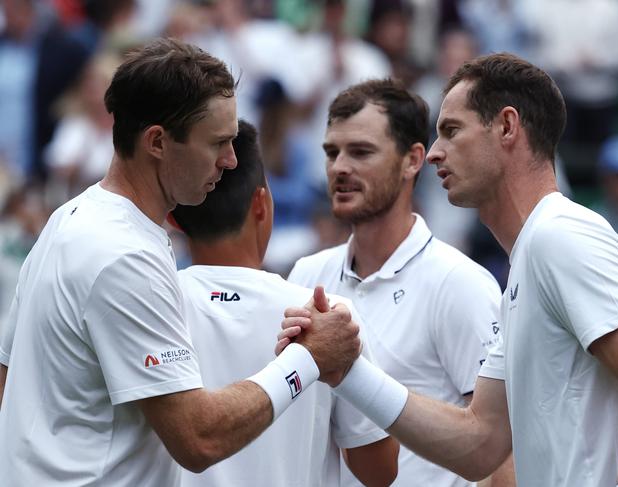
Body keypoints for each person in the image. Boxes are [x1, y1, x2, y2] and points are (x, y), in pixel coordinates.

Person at [0, 38, 360, 486]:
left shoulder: (68, 219)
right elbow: (198, 439)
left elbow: (7, 378)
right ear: (157, 142)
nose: (230, 161)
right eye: (218, 143)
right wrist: (307, 360)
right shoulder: (124, 255)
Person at [281, 53, 618, 487]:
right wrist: (349, 371)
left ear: (507, 127)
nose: (435, 153)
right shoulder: (530, 259)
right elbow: (479, 444)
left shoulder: (560, 235)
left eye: (451, 131)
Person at [287, 78, 511, 486]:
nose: (339, 167)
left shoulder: (460, 283)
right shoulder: (306, 275)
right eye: (331, 152)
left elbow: (500, 457)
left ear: (413, 160)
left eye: (360, 152)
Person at [170, 119, 399, 487]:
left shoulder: (149, 306)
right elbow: (380, 471)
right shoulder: (326, 317)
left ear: (173, 219)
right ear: (262, 203)